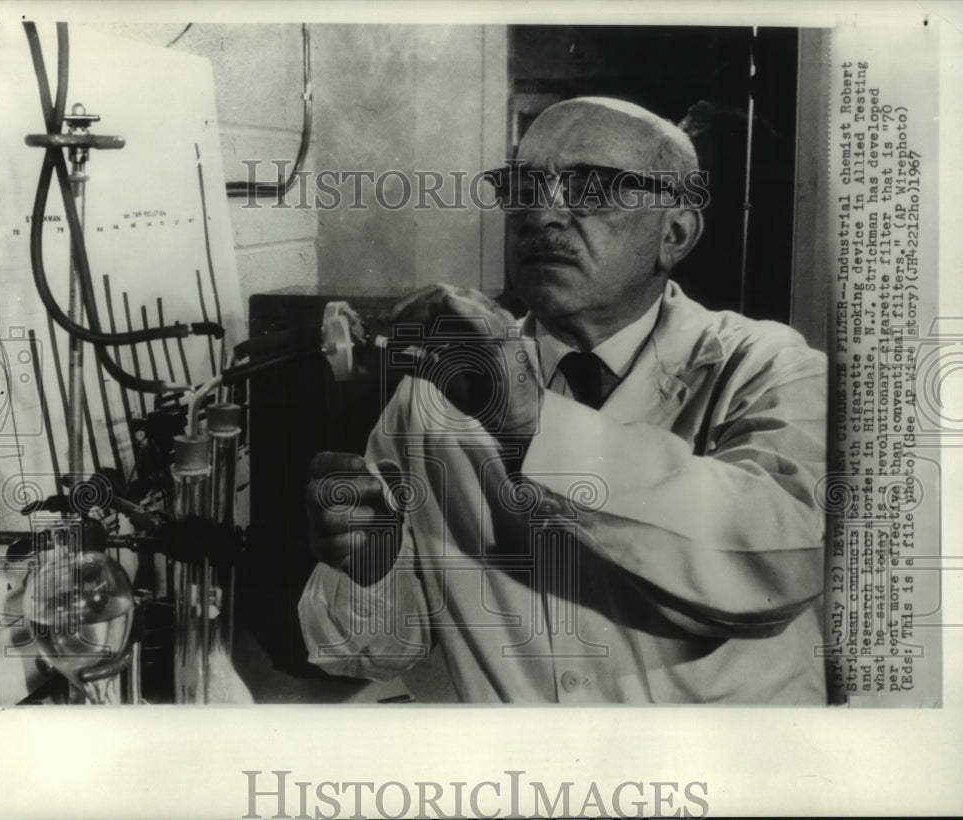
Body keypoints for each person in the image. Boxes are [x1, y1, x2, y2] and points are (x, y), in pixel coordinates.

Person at [298, 97, 828, 703]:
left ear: (674, 234)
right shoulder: (433, 395)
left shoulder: (767, 366)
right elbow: (369, 652)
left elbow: (782, 565)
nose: (544, 214)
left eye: (594, 188)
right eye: (525, 187)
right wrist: (372, 567)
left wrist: (531, 423)